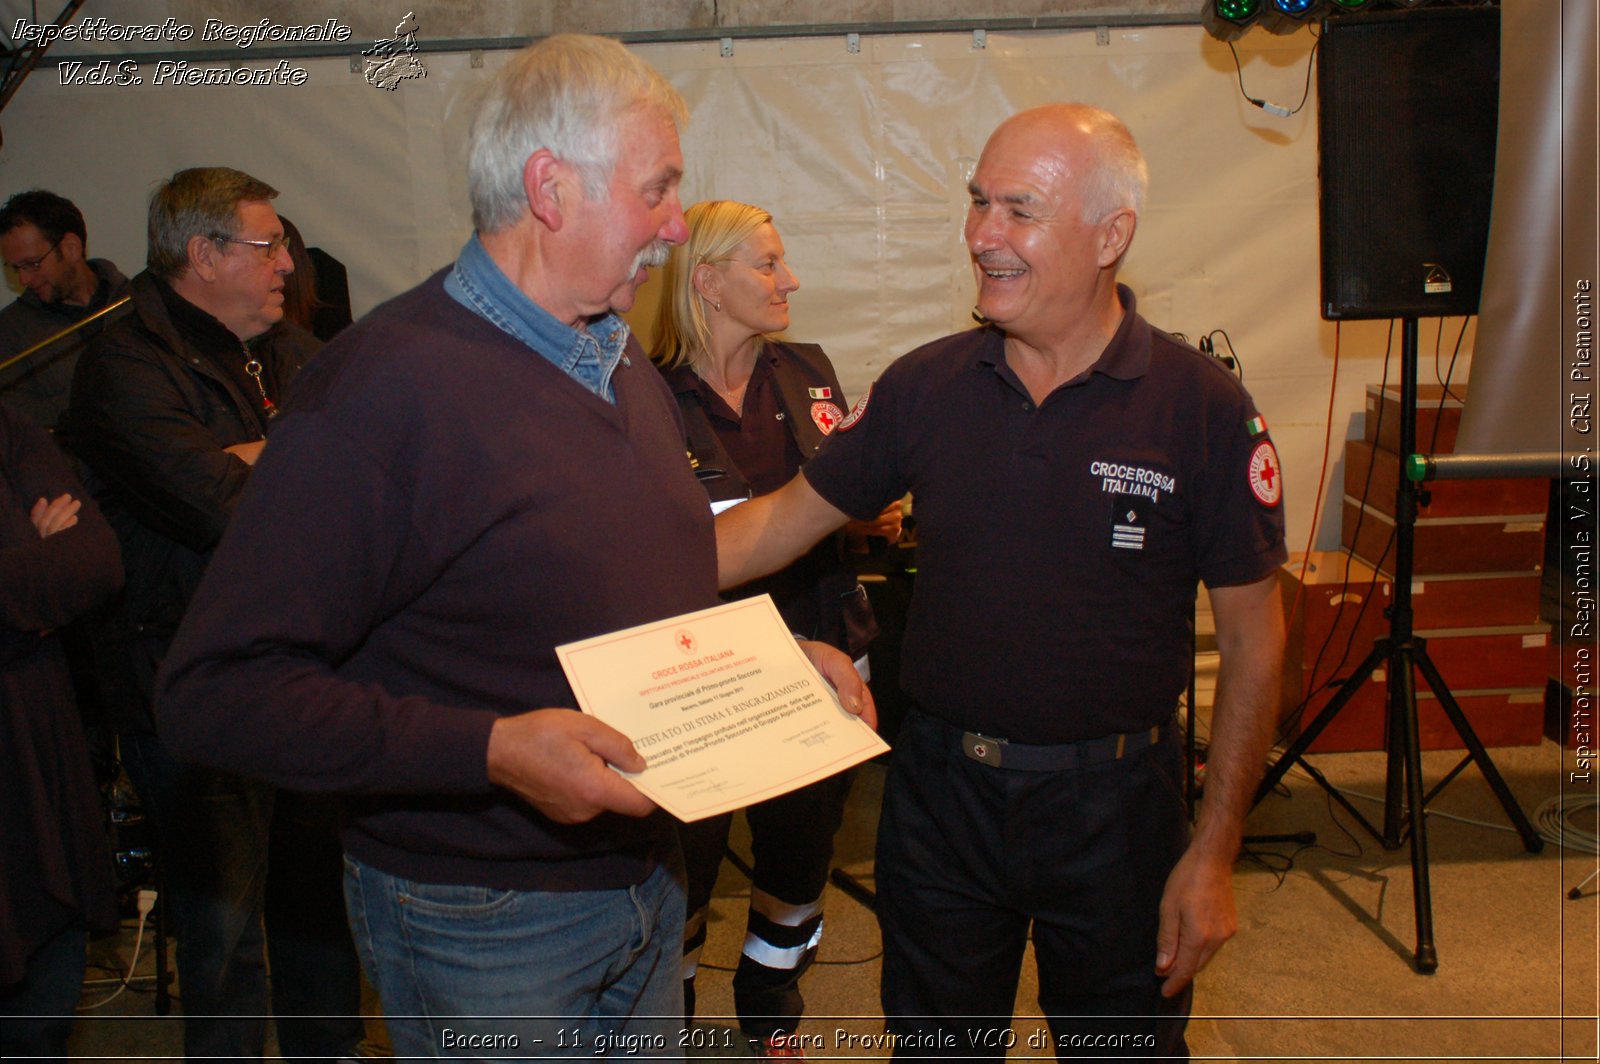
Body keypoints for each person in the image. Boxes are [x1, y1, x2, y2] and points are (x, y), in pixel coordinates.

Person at [153, 35, 871, 1059]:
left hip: (647, 881)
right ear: (550, 187)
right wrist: (491, 751)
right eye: (657, 190)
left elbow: (637, 591)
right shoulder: (383, 390)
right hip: (481, 916)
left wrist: (762, 671)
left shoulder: (616, 366)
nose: (674, 225)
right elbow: (214, 691)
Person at [715, 103, 1287, 1059]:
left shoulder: (1202, 409)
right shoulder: (924, 387)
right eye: (979, 203)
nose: (983, 236)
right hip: (942, 803)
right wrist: (617, 559)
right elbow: (774, 525)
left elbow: (1256, 642)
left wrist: (1216, 848)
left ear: (1112, 235)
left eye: (1020, 210)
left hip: (1118, 814)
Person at [63, 167, 360, 1062]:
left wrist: (264, 455)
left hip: (309, 670)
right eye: (268, 246)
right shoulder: (121, 367)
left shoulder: (298, 353)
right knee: (223, 931)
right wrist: (307, 455)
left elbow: (376, 474)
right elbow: (220, 506)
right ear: (204, 254)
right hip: (192, 688)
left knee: (317, 908)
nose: (286, 263)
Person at [649, 200, 900, 1056]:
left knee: (799, 860)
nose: (789, 279)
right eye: (768, 263)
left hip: (820, 656)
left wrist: (870, 513)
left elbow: (823, 499)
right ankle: (673, 1027)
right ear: (709, 282)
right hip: (700, 669)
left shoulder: (808, 370)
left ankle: (770, 1013)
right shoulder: (642, 393)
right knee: (686, 872)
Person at [0, 402, 123, 1060]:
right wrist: (31, 553)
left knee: (44, 1005)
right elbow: (56, 577)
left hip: (38, 757)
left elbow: (96, 562)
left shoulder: (8, 426)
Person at [0, 191, 132, 430]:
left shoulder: (137, 300)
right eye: (15, 268)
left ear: (71, 248)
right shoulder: (10, 331)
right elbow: (19, 426)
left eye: (32, 264)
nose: (23, 279)